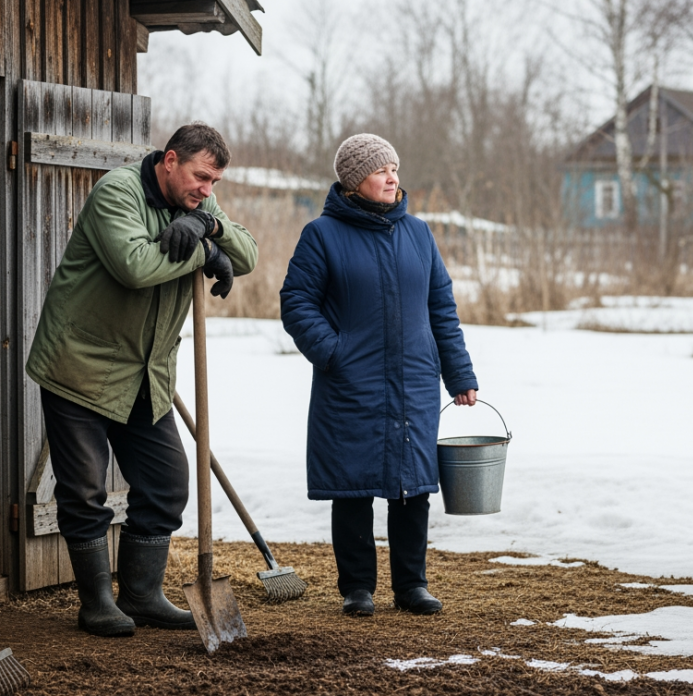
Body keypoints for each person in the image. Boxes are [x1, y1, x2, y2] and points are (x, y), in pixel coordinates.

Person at [25, 123, 257, 637]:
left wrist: (208, 227)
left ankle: (142, 596)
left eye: (215, 183)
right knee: (85, 491)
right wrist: (206, 254)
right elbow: (134, 266)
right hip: (80, 365)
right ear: (170, 161)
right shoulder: (118, 192)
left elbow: (249, 254)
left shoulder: (198, 203)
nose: (207, 190)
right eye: (201, 177)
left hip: (144, 372)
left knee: (166, 484)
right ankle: (97, 605)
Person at [280, 133, 479, 617]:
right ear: (354, 182)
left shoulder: (419, 234)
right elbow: (296, 302)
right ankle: (357, 588)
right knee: (352, 485)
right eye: (380, 170)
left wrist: (459, 373)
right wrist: (335, 353)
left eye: (394, 168)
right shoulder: (322, 235)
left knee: (413, 485)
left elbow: (441, 310)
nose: (393, 178)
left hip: (414, 381)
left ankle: (412, 585)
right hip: (351, 383)